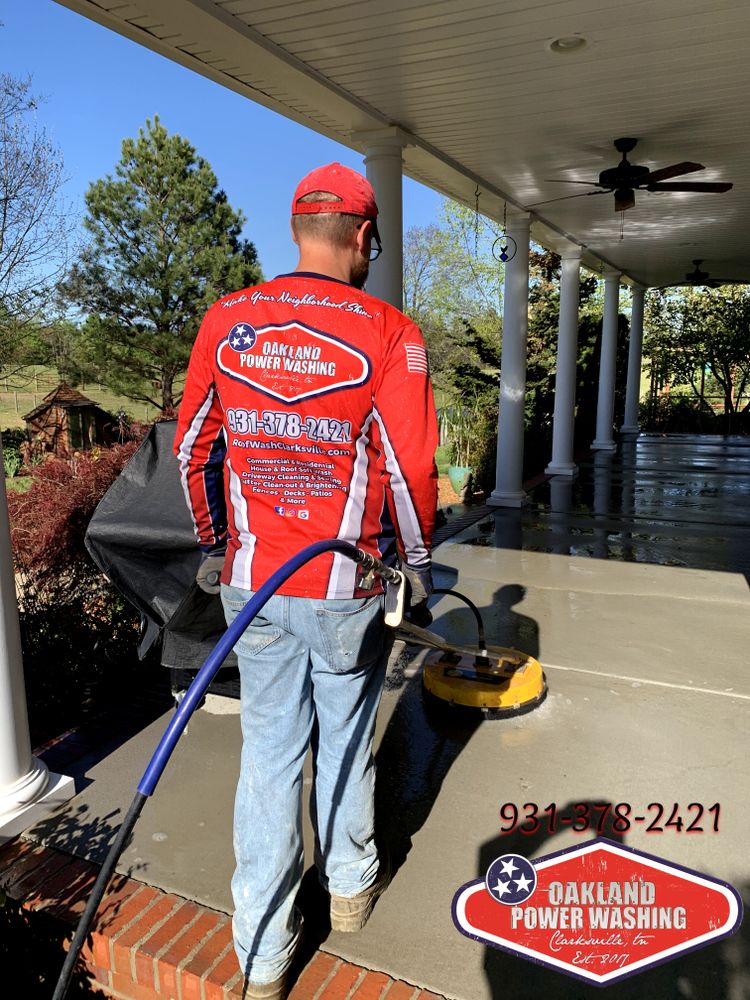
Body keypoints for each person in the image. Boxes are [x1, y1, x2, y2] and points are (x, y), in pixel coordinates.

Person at [174, 162, 438, 999]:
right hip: (343, 588)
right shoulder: (390, 332)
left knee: (269, 754)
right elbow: (410, 474)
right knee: (347, 732)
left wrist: (219, 543)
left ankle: (261, 955)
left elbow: (193, 450)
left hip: (254, 582)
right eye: (374, 244)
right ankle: (349, 888)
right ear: (361, 235)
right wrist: (415, 567)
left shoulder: (228, 318)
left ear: (297, 228)